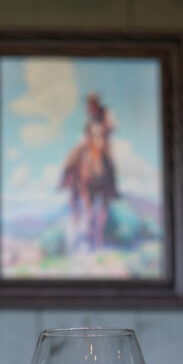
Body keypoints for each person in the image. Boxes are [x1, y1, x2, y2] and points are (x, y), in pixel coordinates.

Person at [59, 93, 118, 251]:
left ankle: (111, 187)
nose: (89, 108)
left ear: (96, 104)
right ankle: (67, 178)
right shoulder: (90, 119)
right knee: (74, 154)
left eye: (91, 105)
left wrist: (105, 129)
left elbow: (112, 126)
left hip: (102, 142)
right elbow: (86, 132)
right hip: (89, 140)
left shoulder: (105, 113)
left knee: (110, 162)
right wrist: (87, 136)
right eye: (88, 106)